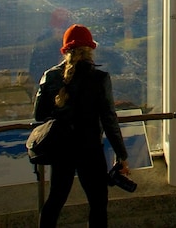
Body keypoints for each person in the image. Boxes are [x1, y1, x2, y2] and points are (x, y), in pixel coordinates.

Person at [34, 24, 130, 228]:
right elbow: (109, 119)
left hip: (61, 149)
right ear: (90, 49)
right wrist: (122, 155)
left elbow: (39, 114)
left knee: (55, 201)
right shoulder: (99, 78)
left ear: (65, 50)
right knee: (98, 203)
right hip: (90, 150)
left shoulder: (50, 76)